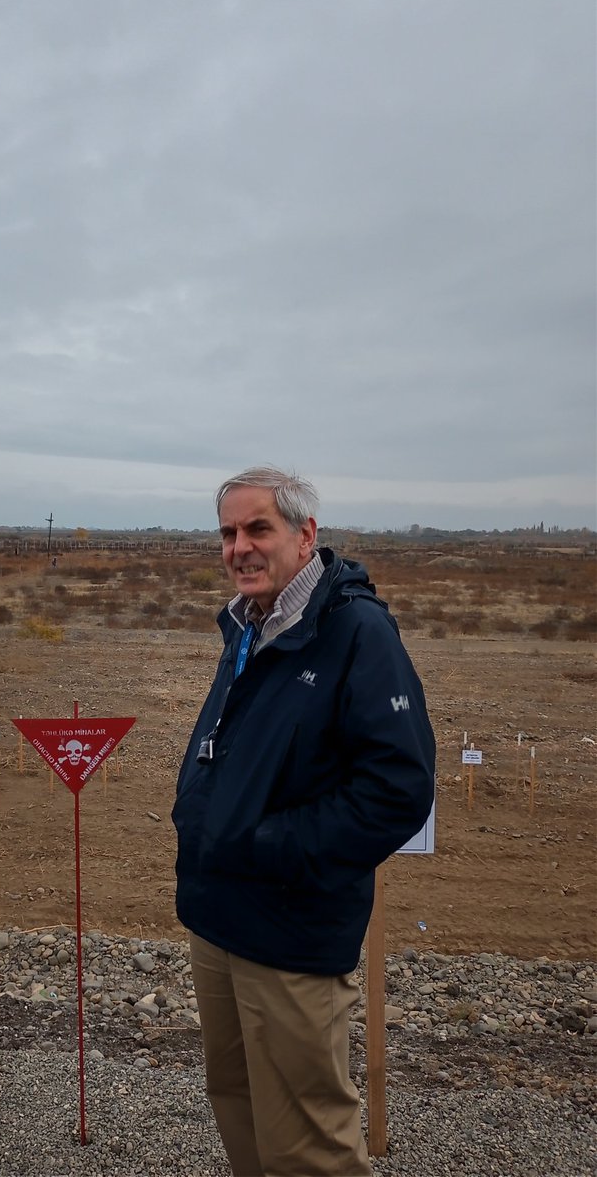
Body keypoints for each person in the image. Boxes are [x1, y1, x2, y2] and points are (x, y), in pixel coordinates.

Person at [172, 466, 435, 1177]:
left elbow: (398, 789)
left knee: (307, 1143)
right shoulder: (247, 625)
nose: (240, 547)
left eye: (258, 528)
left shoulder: (355, 632)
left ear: (304, 534)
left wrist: (270, 847)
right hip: (218, 916)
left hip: (290, 931)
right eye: (228, 533)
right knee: (238, 1106)